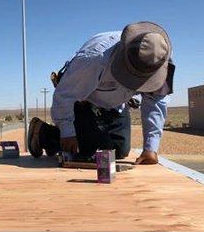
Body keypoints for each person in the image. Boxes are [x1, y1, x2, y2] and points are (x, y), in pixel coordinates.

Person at [28, 21, 174, 165]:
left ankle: (85, 137)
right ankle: (43, 133)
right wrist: (67, 132)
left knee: (119, 151)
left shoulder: (159, 60)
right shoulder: (94, 58)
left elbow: (156, 101)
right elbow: (65, 94)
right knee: (93, 151)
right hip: (83, 101)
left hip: (117, 104)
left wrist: (150, 148)